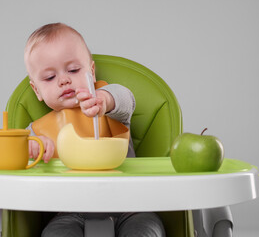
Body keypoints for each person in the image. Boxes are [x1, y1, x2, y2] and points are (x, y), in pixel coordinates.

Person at [24, 22, 165, 237]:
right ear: (37, 90)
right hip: (69, 211)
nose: (64, 80)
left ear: (91, 71)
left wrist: (104, 101)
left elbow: (126, 99)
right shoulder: (38, 130)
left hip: (131, 206)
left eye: (73, 70)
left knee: (145, 230)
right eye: (50, 77)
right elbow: (17, 151)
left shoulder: (108, 105)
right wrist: (33, 147)